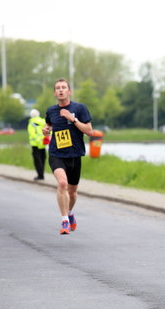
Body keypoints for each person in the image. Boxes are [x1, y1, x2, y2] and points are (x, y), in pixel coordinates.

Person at [42, 78, 94, 235]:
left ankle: (70, 213)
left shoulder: (79, 108)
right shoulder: (51, 111)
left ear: (69, 91)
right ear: (54, 93)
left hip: (75, 155)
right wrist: (46, 130)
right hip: (56, 154)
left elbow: (90, 131)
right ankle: (64, 221)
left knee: (72, 192)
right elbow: (49, 124)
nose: (60, 90)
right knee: (62, 184)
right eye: (57, 88)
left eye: (64, 87)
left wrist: (73, 119)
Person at [27, 109, 47, 181]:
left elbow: (32, 134)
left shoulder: (31, 123)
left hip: (35, 145)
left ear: (31, 115)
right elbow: (48, 131)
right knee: (42, 160)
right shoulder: (43, 121)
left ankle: (40, 175)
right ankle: (42, 174)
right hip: (43, 144)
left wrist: (38, 141)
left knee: (37, 161)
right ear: (38, 114)